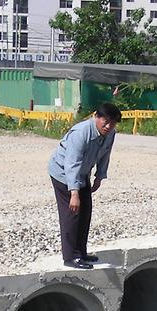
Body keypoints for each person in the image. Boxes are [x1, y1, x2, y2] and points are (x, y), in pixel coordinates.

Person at [48, 102, 122, 269]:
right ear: (97, 117)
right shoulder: (81, 133)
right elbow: (71, 163)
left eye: (113, 123)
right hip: (62, 173)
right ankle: (70, 257)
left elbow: (105, 155)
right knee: (72, 213)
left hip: (82, 174)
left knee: (86, 211)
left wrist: (99, 176)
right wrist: (74, 193)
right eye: (106, 121)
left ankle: (81, 252)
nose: (109, 126)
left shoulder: (110, 133)